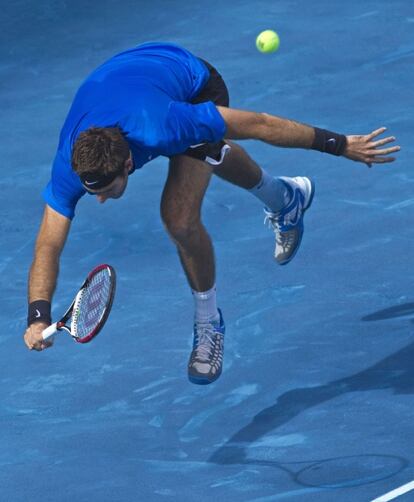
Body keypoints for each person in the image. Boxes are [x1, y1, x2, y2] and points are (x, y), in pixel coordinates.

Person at [23, 42, 400, 385]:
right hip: (128, 79)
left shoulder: (166, 125)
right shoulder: (70, 166)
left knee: (179, 218)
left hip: (190, 81)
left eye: (107, 191)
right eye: (95, 193)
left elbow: (261, 125)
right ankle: (284, 197)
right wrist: (38, 315)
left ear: (127, 163)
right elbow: (47, 246)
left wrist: (340, 144)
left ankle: (208, 323)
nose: (101, 200)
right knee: (210, 154)